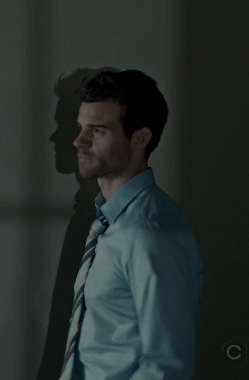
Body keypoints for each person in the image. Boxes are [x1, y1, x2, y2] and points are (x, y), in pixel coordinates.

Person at [59, 69, 204, 380]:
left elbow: (166, 367)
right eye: (81, 128)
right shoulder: (111, 222)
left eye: (97, 131)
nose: (79, 141)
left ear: (140, 138)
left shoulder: (149, 233)